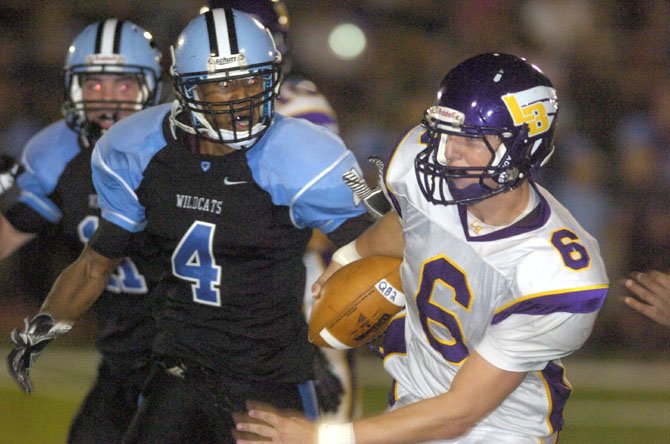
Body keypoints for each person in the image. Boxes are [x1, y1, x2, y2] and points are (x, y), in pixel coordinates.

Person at [7, 7, 371, 444]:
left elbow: (376, 241)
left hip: (270, 377)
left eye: (253, 78)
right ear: (187, 87)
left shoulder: (304, 152)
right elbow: (94, 266)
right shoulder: (135, 150)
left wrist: (340, 326)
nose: (241, 96)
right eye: (223, 84)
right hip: (180, 375)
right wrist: (40, 330)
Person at [234, 53, 610, 443]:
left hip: (498, 430)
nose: (449, 152)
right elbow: (410, 224)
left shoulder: (555, 270)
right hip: (413, 410)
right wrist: (351, 255)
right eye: (446, 133)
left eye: (470, 139)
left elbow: (460, 413)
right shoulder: (425, 170)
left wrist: (323, 438)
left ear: (521, 149)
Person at [2, 18, 163, 443]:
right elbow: (14, 228)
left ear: (151, 87)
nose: (108, 98)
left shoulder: (181, 151)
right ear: (74, 89)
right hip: (122, 355)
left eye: (123, 85)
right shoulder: (58, 150)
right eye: (94, 85)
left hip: (193, 352)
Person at [204, 0, 366, 421]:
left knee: (321, 420)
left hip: (290, 279)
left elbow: (322, 218)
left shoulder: (298, 103)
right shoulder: (187, 111)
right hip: (217, 282)